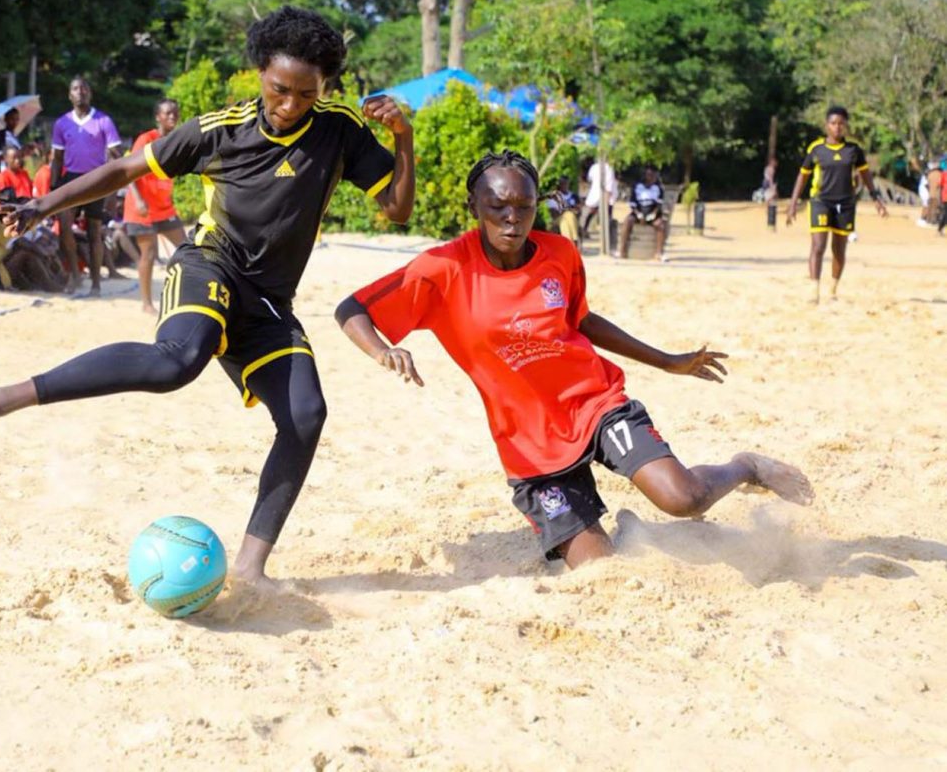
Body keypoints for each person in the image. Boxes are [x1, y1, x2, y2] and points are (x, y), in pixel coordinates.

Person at [0, 6, 416, 587]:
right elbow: (127, 169)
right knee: (176, 363)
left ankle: (251, 568)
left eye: (304, 94)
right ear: (261, 72)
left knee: (306, 416)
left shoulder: (339, 128)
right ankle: (0, 399)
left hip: (267, 302)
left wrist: (403, 138)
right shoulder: (220, 129)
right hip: (210, 265)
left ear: (325, 88)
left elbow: (397, 208)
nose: (288, 105)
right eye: (278, 89)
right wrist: (43, 203)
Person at [336, 150, 812, 569]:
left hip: (594, 404)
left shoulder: (559, 254)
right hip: (529, 446)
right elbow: (352, 308)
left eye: (523, 207)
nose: (511, 218)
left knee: (682, 498)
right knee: (599, 571)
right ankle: (629, 532)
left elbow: (581, 320)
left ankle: (747, 467)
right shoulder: (444, 268)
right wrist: (384, 350)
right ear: (473, 207)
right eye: (497, 206)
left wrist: (667, 361)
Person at [786, 106, 887, 303]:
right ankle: (814, 291)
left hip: (845, 204)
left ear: (846, 126)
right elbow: (802, 176)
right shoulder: (816, 149)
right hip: (820, 201)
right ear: (826, 125)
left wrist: (876, 198)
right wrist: (792, 204)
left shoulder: (853, 151)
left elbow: (866, 175)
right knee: (818, 246)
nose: (837, 127)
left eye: (841, 123)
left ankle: (832, 289)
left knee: (839, 249)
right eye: (833, 123)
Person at [50, 77, 123, 295]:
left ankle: (96, 284)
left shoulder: (103, 121)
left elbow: (116, 155)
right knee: (65, 227)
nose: (80, 91)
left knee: (94, 232)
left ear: (89, 93)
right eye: (75, 88)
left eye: (84, 88)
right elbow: (57, 158)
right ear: (69, 95)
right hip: (71, 179)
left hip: (96, 179)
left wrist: (112, 188)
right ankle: (74, 275)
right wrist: (54, 188)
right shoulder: (62, 123)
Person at [126, 98, 187, 313]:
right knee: (149, 253)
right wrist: (139, 199)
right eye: (167, 113)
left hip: (164, 207)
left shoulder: (176, 139)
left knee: (187, 249)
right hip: (141, 207)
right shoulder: (146, 139)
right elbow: (129, 171)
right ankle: (146, 303)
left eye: (175, 112)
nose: (172, 116)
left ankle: (183, 295)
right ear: (158, 117)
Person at [615, 165, 668, 261]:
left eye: (653, 175)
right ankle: (621, 251)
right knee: (627, 221)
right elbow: (633, 204)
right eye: (649, 175)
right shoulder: (637, 187)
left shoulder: (658, 188)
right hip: (638, 212)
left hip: (653, 213)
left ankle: (659, 253)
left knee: (660, 225)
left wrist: (653, 215)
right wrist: (639, 214)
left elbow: (659, 205)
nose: (651, 177)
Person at [579, 157, 617, 247]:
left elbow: (608, 186)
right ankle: (584, 232)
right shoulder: (599, 168)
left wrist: (607, 200)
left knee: (607, 218)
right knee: (590, 214)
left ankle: (608, 241)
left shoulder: (606, 168)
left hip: (603, 196)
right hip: (597, 194)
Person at [0, 108, 22, 174]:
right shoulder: (2, 135)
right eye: (12, 119)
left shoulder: (15, 136)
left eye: (17, 119)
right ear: (6, 119)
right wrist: (9, 156)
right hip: (5, 170)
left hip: (16, 171)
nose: (15, 122)